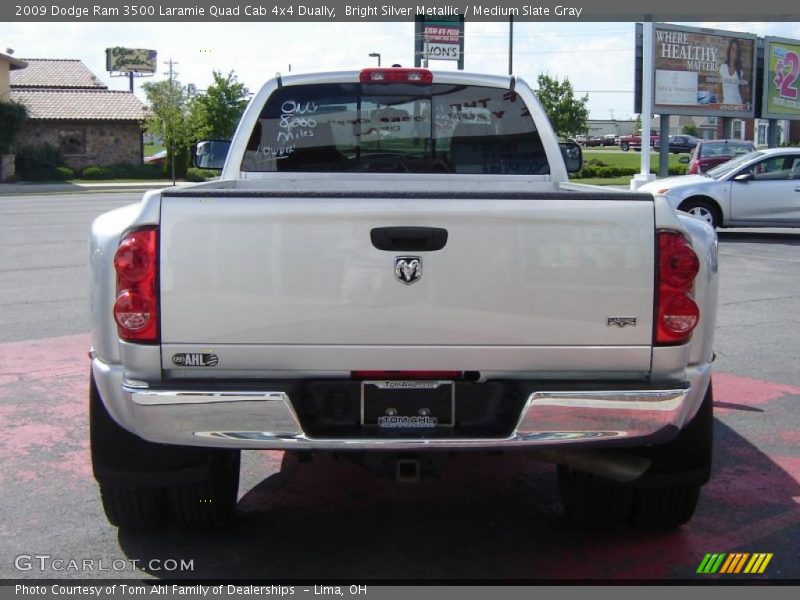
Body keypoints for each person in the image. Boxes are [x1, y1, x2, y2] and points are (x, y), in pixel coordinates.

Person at [719, 39, 746, 105]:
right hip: (725, 106)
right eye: (733, 49)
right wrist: (721, 102)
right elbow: (718, 88)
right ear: (729, 50)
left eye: (737, 50)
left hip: (737, 106)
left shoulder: (740, 71)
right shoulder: (723, 68)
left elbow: (743, 91)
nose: (735, 52)